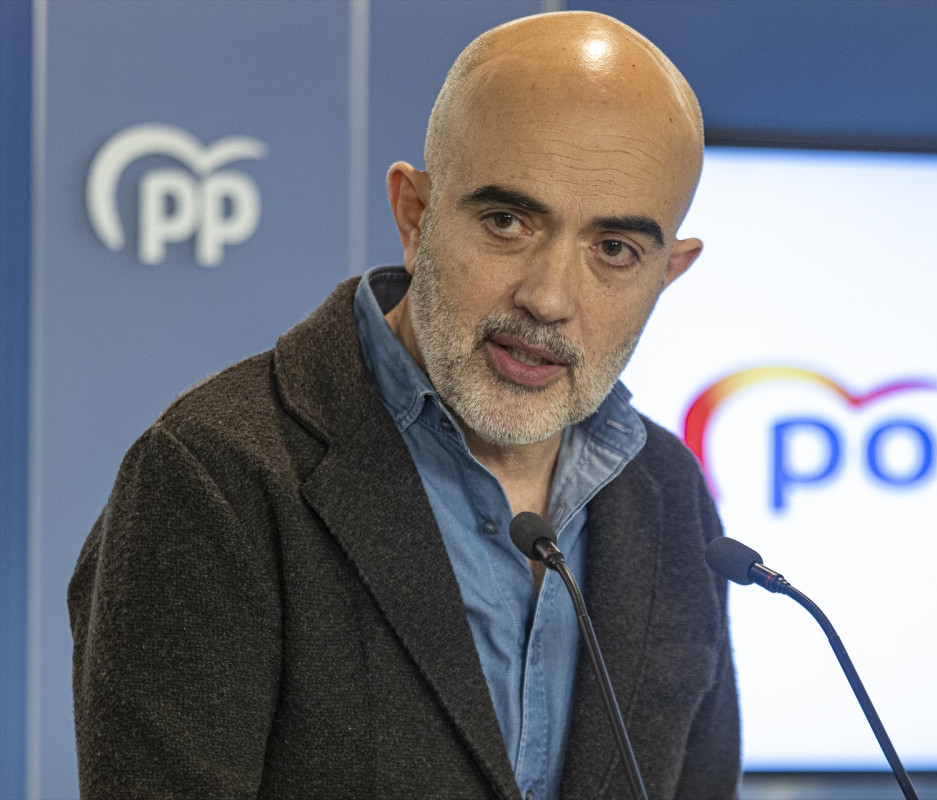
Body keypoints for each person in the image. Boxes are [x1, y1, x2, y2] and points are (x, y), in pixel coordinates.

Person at [69, 10, 739, 799]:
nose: (550, 298)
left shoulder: (669, 492)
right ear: (414, 215)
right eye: (507, 222)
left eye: (615, 250)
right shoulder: (214, 476)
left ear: (667, 273)